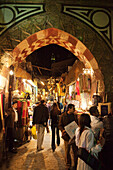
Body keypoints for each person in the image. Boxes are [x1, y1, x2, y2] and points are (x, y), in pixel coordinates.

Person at [58, 104, 78, 170]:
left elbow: (77, 124)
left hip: (74, 135)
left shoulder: (75, 115)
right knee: (67, 150)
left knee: (75, 150)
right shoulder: (63, 116)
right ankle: (68, 164)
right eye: (73, 108)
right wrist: (62, 130)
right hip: (66, 135)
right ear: (69, 109)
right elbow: (60, 125)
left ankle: (75, 164)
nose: (74, 109)